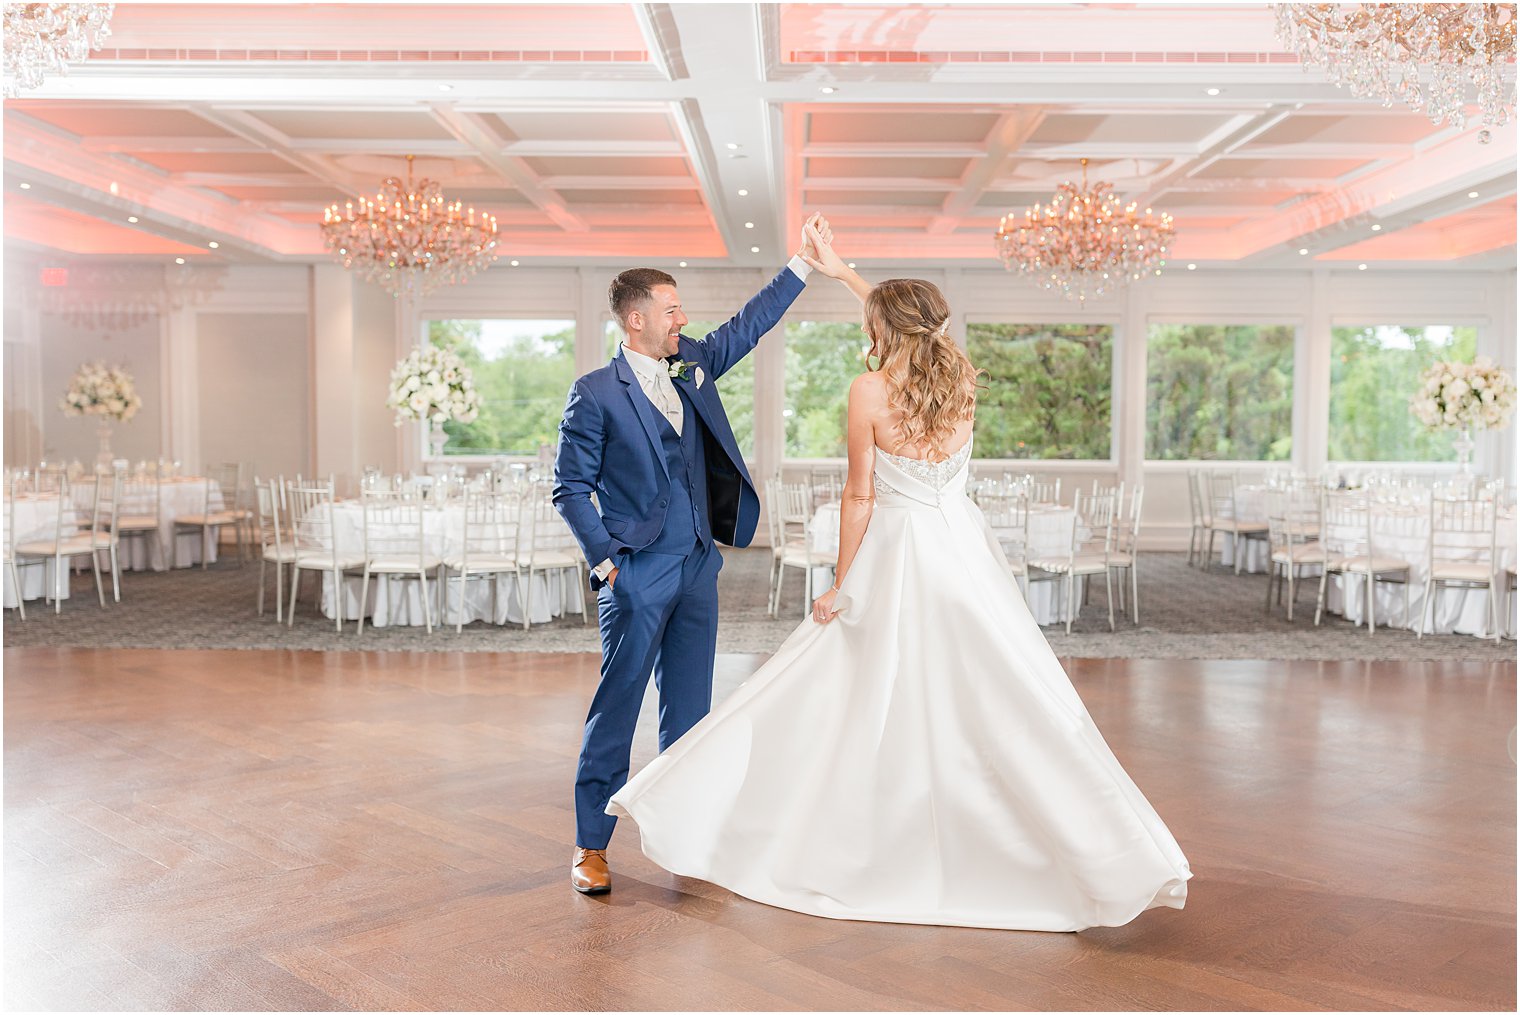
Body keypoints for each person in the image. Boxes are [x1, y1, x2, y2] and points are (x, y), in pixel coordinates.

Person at [606, 224, 1192, 931]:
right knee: (1002, 691)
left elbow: (861, 497)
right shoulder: (965, 377)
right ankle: (1098, 847)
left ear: (883, 328)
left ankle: (855, 828)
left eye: (870, 321)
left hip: (899, 553)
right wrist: (850, 274)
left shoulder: (870, 391)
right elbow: (916, 323)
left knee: (851, 687)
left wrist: (840, 584)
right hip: (964, 556)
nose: (866, 327)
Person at [552, 214, 836, 894]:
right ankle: (591, 844)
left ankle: (687, 838)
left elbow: (749, 324)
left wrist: (801, 262)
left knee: (691, 711)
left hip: (698, 569)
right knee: (617, 707)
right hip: (638, 573)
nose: (682, 317)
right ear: (635, 320)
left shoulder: (692, 365)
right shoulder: (595, 393)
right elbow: (568, 487)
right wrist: (609, 564)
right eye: (670, 308)